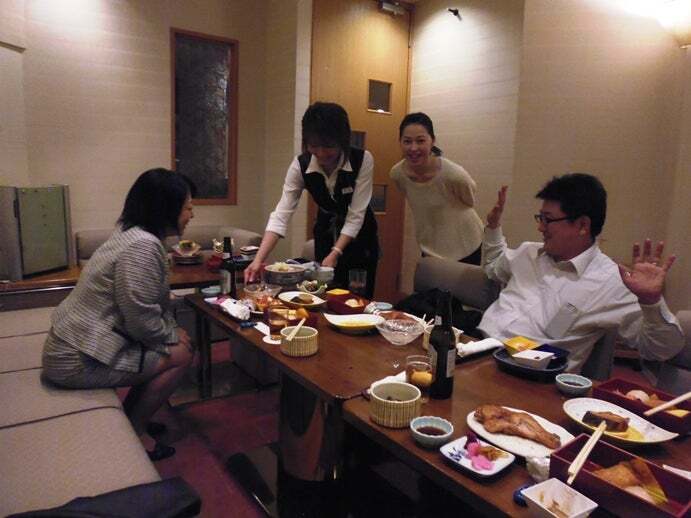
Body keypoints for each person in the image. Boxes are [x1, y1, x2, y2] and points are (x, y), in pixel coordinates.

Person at [42, 168, 196, 461]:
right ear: (166, 207)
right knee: (183, 354)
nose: (192, 214)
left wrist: (170, 331)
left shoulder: (130, 234)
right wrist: (172, 335)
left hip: (73, 347)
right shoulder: (142, 246)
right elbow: (140, 320)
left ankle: (131, 419)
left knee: (171, 346)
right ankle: (135, 431)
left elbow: (145, 306)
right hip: (75, 360)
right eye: (187, 207)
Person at [478, 173, 684, 373]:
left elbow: (660, 351)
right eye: (540, 218)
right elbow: (493, 266)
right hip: (478, 351)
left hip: (529, 377)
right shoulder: (527, 253)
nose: (540, 227)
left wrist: (651, 302)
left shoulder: (611, 282)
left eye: (548, 219)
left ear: (583, 225)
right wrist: (493, 227)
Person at [245, 102, 379, 297]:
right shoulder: (301, 165)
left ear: (342, 140)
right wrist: (258, 260)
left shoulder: (362, 160)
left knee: (356, 299)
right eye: (314, 146)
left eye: (329, 146)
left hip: (360, 239)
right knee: (322, 295)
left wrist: (336, 252)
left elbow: (356, 215)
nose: (322, 153)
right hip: (325, 234)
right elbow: (281, 214)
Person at [389, 112, 484, 264]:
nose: (413, 148)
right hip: (431, 249)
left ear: (432, 141)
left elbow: (469, 200)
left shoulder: (453, 174)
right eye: (407, 141)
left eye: (420, 141)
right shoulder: (397, 174)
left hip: (467, 246)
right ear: (400, 142)